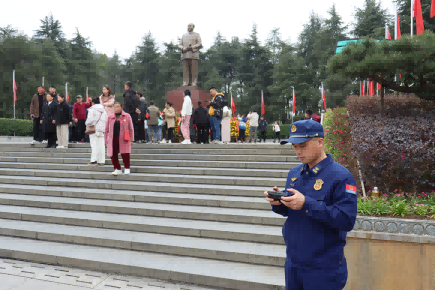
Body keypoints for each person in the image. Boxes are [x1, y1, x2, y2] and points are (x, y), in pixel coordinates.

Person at [264, 119, 357, 290]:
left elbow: (346, 220)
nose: (298, 151)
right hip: (293, 262)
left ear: (320, 142)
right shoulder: (295, 173)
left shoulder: (341, 176)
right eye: (295, 146)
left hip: (323, 268)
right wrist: (279, 203)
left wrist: (307, 203)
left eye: (303, 145)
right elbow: (292, 211)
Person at [105, 102, 134, 175]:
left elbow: (131, 128)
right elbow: (106, 130)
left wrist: (132, 139)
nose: (116, 108)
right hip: (112, 139)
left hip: (124, 138)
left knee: (125, 154)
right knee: (113, 154)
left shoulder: (127, 116)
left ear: (121, 108)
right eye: (115, 107)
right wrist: (106, 141)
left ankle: (127, 168)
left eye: (118, 107)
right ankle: (117, 168)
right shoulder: (110, 117)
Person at [86, 97, 107, 166]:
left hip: (94, 129)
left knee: (94, 145)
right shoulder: (103, 110)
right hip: (101, 129)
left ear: (92, 102)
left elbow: (90, 120)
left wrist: (86, 123)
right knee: (101, 145)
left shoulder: (92, 109)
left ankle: (94, 160)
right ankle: (101, 160)